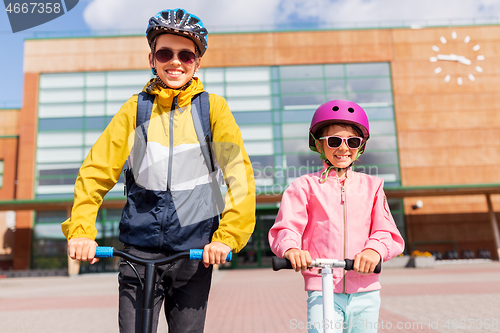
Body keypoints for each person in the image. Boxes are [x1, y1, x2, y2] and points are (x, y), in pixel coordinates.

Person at [61, 8, 256, 333]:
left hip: (194, 252)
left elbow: (239, 177)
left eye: (186, 55)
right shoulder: (136, 109)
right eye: (165, 53)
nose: (175, 62)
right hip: (138, 251)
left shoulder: (212, 109)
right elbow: (94, 173)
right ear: (152, 58)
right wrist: (81, 230)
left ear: (197, 62)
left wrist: (227, 238)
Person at [268, 100, 404, 333]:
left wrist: (374, 250)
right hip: (322, 288)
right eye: (334, 141)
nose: (343, 148)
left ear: (360, 146)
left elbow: (386, 231)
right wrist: (291, 249)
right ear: (319, 146)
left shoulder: (372, 186)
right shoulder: (303, 186)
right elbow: (287, 227)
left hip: (366, 290)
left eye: (352, 141)